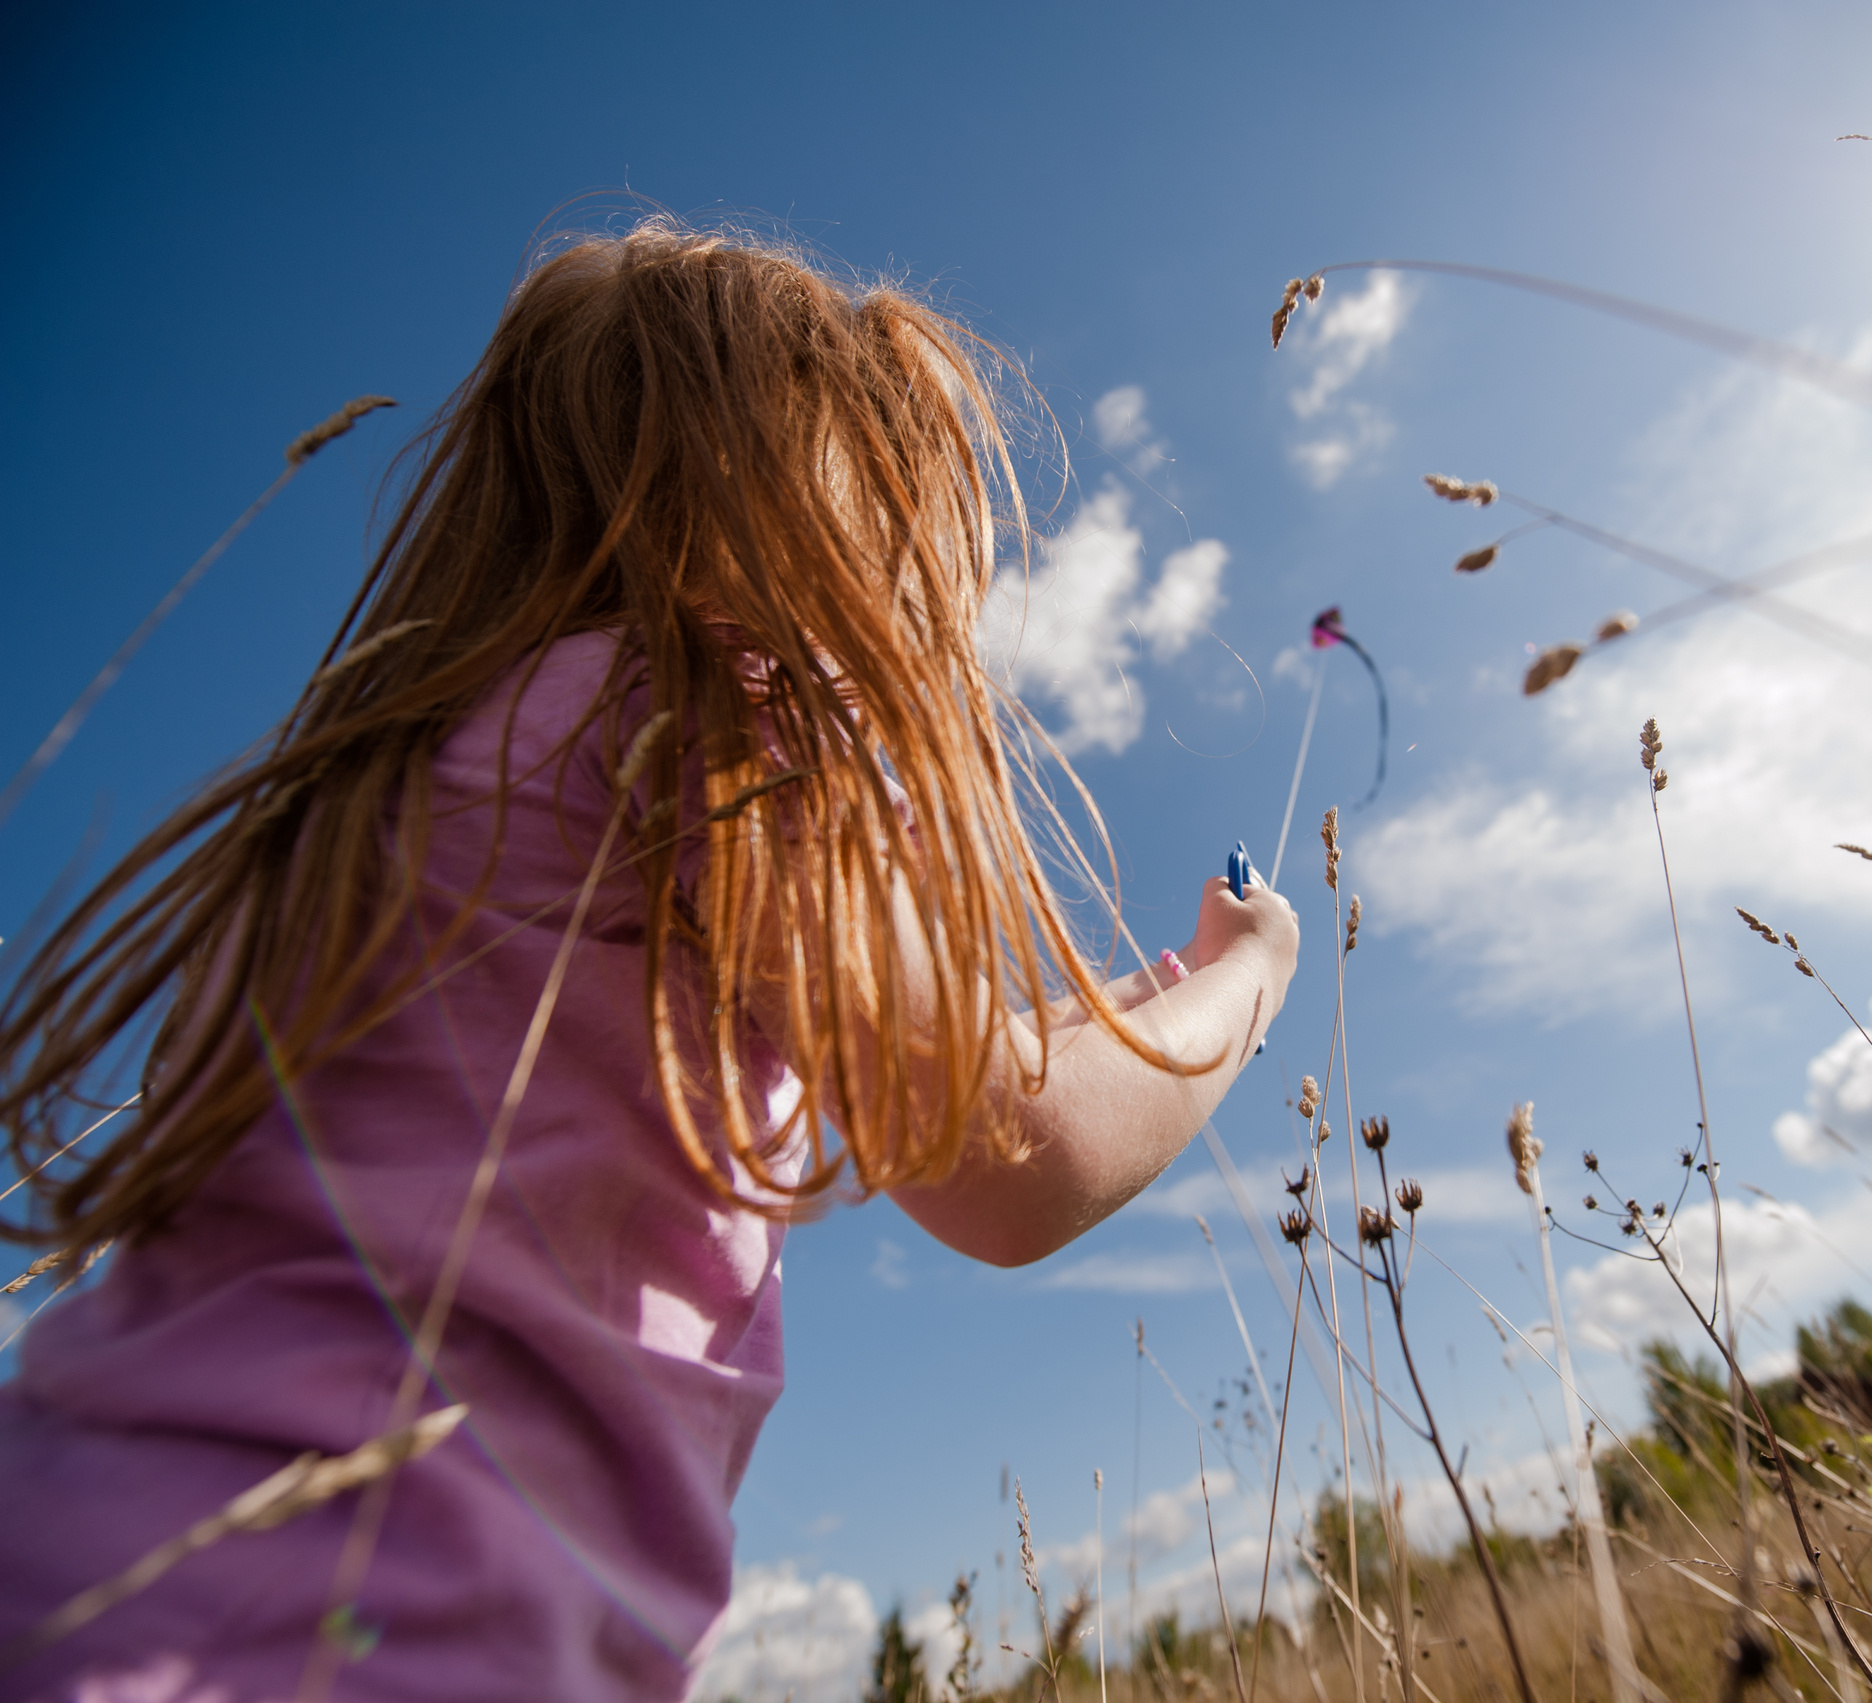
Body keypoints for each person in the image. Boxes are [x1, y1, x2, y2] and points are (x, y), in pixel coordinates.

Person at [0, 221, 1298, 1701]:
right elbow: (1020, 1152)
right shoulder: (716, 729)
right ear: (776, 507)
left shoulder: (368, 805)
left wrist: (1113, 1006)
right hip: (377, 1638)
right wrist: (1246, 979)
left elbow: (960, 1057)